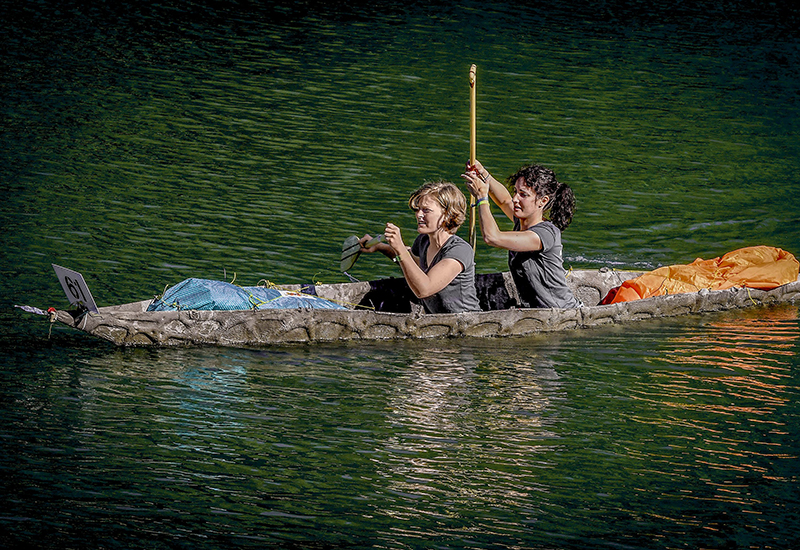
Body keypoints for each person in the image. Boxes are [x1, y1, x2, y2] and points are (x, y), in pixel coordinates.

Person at [462, 161, 581, 309]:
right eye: (516, 192)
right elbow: (504, 200)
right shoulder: (522, 221)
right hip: (534, 310)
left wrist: (482, 198)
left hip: (561, 311)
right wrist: (483, 174)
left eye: (523, 194)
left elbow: (492, 237)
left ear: (542, 201)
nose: (515, 199)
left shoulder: (545, 234)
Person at [359, 180, 480, 314]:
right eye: (418, 209)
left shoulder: (459, 250)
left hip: (466, 323)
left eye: (426, 210)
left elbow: (424, 289)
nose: (418, 215)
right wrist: (380, 247)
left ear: (447, 214)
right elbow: (414, 265)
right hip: (438, 323)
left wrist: (399, 248)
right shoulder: (423, 241)